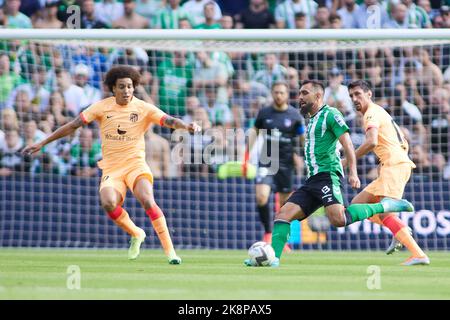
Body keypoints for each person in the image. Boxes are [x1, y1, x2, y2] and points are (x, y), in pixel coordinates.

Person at [22, 66, 201, 264]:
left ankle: (171, 253)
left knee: (147, 200)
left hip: (136, 164)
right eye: (122, 87)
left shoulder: (143, 107)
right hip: (112, 168)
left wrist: (186, 126)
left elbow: (168, 120)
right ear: (113, 89)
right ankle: (136, 233)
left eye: (130, 86)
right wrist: (42, 142)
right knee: (108, 202)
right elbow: (73, 125)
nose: (127, 91)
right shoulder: (100, 107)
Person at [245, 80, 414, 267]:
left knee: (339, 219)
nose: (300, 97)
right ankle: (273, 259)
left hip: (328, 175)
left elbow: (348, 144)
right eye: (300, 93)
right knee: (283, 215)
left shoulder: (331, 114)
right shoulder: (311, 119)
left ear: (318, 96)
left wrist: (353, 172)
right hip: (312, 181)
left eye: (304, 93)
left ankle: (385, 206)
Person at [346, 80, 429, 266]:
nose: (354, 99)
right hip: (392, 165)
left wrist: (348, 160)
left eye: (358, 94)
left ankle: (418, 254)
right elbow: (400, 140)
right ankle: (400, 230)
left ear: (369, 94)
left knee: (385, 213)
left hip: (394, 165)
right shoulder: (378, 112)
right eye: (351, 96)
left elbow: (372, 142)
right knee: (356, 205)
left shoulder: (371, 113)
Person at [243, 82, 304, 245]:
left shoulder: (294, 116)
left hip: (286, 164)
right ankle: (268, 233)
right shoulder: (264, 113)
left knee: (285, 206)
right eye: (276, 92)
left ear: (286, 94)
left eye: (282, 93)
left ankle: (281, 239)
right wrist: (245, 157)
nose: (279, 95)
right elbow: (254, 133)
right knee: (261, 196)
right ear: (272, 93)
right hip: (267, 161)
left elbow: (302, 140)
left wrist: (301, 156)